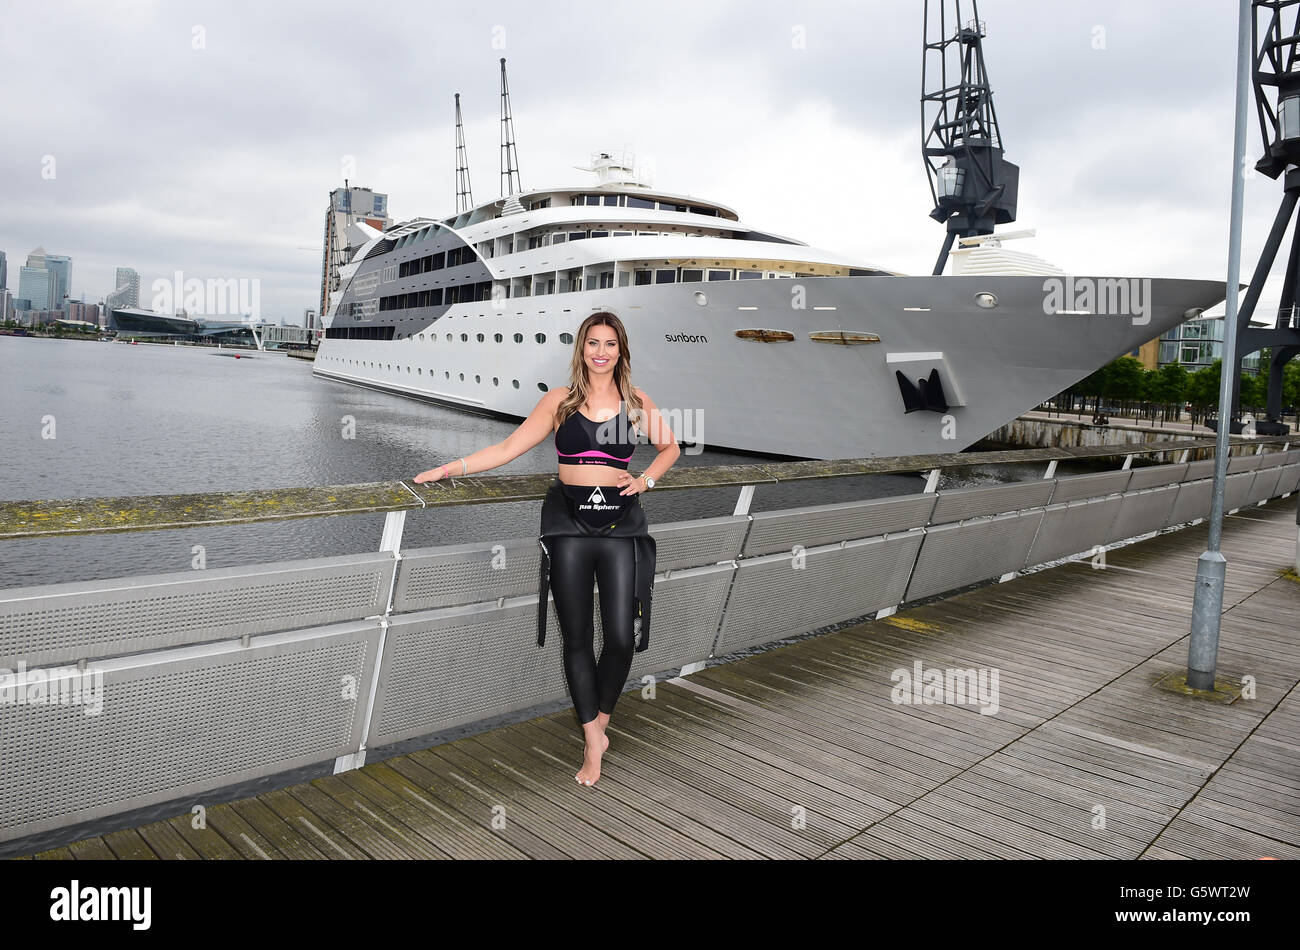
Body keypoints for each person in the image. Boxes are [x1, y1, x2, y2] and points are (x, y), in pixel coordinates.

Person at [414, 311, 681, 786]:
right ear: (581, 349)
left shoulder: (636, 403)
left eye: (610, 344)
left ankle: (602, 719)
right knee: (576, 636)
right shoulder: (559, 402)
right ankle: (590, 743)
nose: (601, 352)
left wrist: (646, 480)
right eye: (593, 343)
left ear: (621, 352)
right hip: (568, 527)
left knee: (620, 636)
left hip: (620, 526)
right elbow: (508, 448)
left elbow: (671, 448)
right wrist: (448, 469)